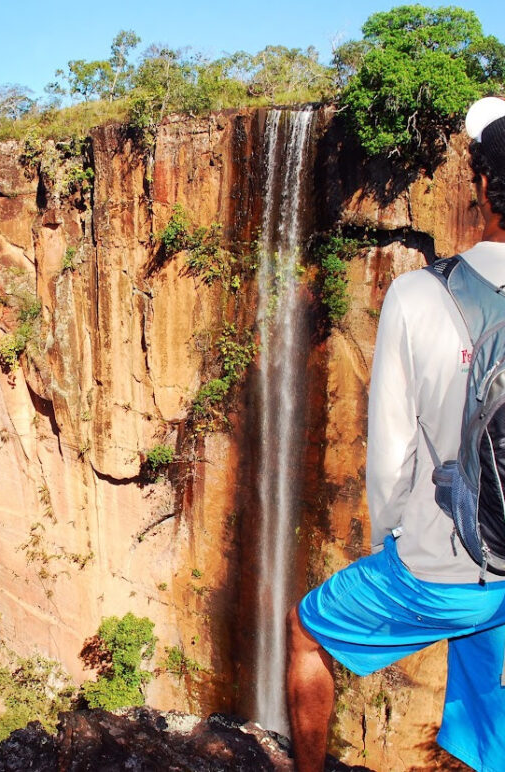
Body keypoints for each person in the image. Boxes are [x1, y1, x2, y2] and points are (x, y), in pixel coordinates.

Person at [286, 96, 505, 772]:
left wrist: (397, 543)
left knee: (305, 633)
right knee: (487, 695)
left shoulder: (419, 295)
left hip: (440, 567)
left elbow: (390, 459)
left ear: (484, 186)